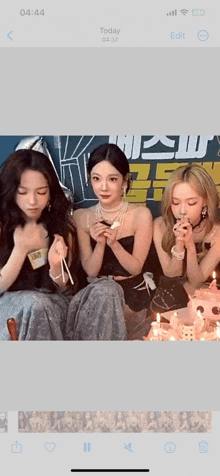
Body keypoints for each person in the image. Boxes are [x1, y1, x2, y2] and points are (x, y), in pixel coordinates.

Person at [66, 143, 154, 340]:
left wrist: (115, 244)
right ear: (90, 180)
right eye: (97, 179)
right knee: (104, 292)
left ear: (124, 182)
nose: (103, 187)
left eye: (112, 179)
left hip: (131, 296)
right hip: (95, 295)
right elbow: (90, 271)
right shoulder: (82, 216)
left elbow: (135, 268)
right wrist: (100, 243)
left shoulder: (141, 215)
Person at [0, 149, 76, 340]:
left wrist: (57, 266)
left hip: (52, 306)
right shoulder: (2, 225)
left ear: (50, 193)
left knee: (42, 304)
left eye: (41, 192)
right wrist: (21, 248)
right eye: (23, 192)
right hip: (10, 307)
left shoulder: (60, 226)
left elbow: (67, 289)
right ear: (11, 192)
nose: (32, 201)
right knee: (35, 304)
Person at [152, 164, 220, 312]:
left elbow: (196, 281)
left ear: (206, 202)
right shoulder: (159, 226)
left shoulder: (217, 233)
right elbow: (172, 274)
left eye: (191, 203)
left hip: (207, 302)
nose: (182, 211)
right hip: (170, 299)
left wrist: (190, 246)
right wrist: (179, 244)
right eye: (175, 202)